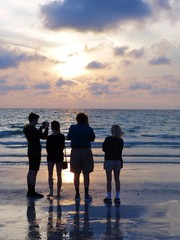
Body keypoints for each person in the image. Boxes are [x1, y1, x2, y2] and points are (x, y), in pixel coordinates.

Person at [67, 113, 95, 202]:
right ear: (85, 120)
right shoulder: (88, 128)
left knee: (76, 173)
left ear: (77, 119)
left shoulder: (72, 127)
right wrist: (88, 127)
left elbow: (68, 137)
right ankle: (86, 194)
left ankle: (77, 194)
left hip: (75, 151)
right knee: (86, 173)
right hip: (86, 151)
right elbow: (92, 138)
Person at [23, 112, 49, 198]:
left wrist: (41, 127)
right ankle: (32, 191)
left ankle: (30, 190)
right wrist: (47, 128)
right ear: (34, 120)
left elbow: (37, 135)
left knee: (31, 170)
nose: (37, 122)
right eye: (37, 120)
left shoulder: (27, 128)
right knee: (34, 171)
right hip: (35, 151)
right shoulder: (32, 129)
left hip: (30, 150)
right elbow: (44, 137)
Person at [102, 124, 124, 204]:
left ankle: (109, 196)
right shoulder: (121, 140)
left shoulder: (108, 139)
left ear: (112, 131)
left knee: (109, 180)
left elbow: (104, 149)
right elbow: (120, 151)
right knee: (117, 179)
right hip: (118, 160)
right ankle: (117, 197)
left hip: (109, 160)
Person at [46, 120, 65, 198]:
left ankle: (51, 192)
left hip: (50, 156)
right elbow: (62, 147)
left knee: (50, 175)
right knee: (59, 175)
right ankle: (58, 193)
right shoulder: (62, 136)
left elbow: (47, 148)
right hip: (59, 156)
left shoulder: (49, 137)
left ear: (52, 128)